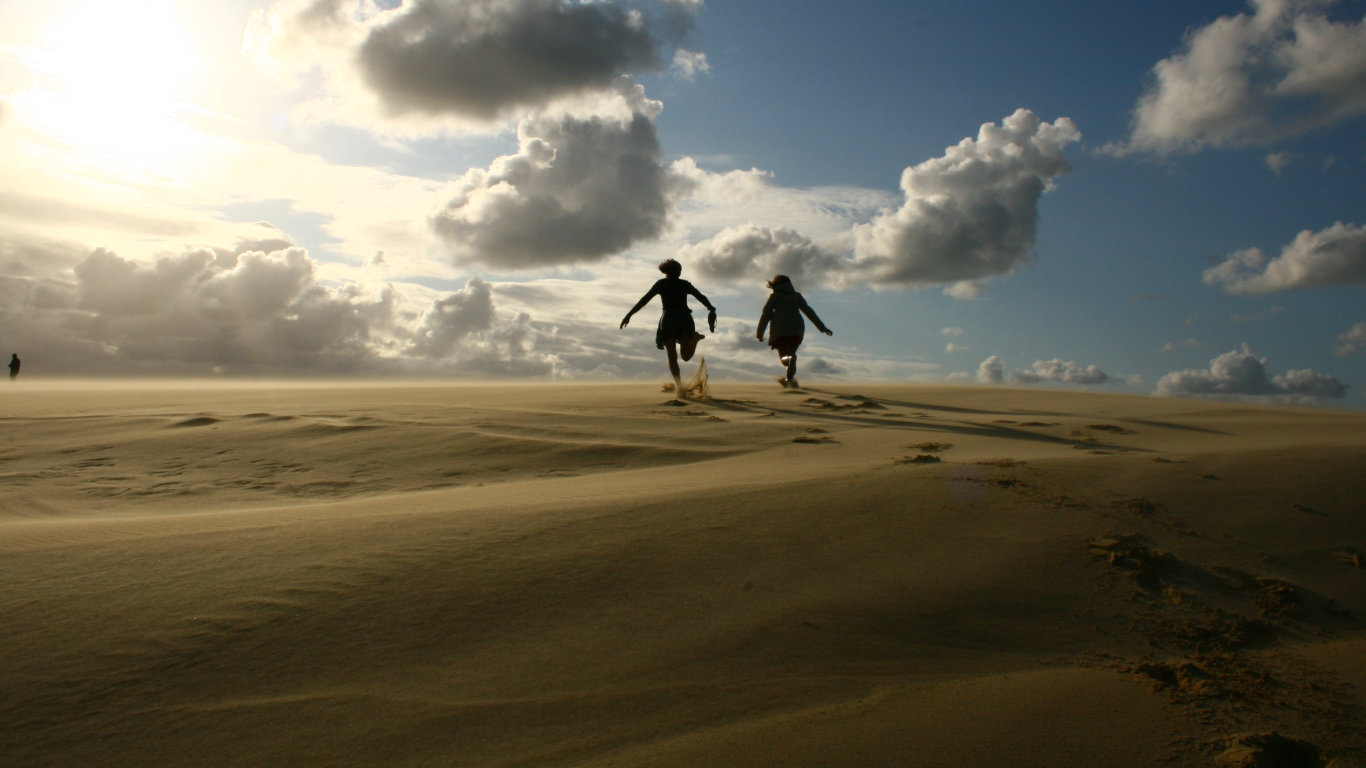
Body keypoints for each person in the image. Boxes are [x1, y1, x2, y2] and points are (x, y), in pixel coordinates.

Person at [621, 259, 717, 395]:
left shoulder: (661, 284)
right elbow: (700, 296)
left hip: (669, 319)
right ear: (677, 272)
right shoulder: (684, 284)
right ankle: (694, 340)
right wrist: (710, 308)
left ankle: (679, 387)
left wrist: (628, 315)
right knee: (685, 356)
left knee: (672, 356)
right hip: (684, 318)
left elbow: (644, 300)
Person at [755, 275, 832, 389]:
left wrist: (760, 333)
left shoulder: (774, 296)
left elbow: (766, 314)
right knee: (791, 352)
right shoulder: (796, 296)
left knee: (784, 357)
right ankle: (789, 380)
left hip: (780, 329)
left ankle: (789, 365)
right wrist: (822, 328)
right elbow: (809, 311)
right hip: (797, 328)